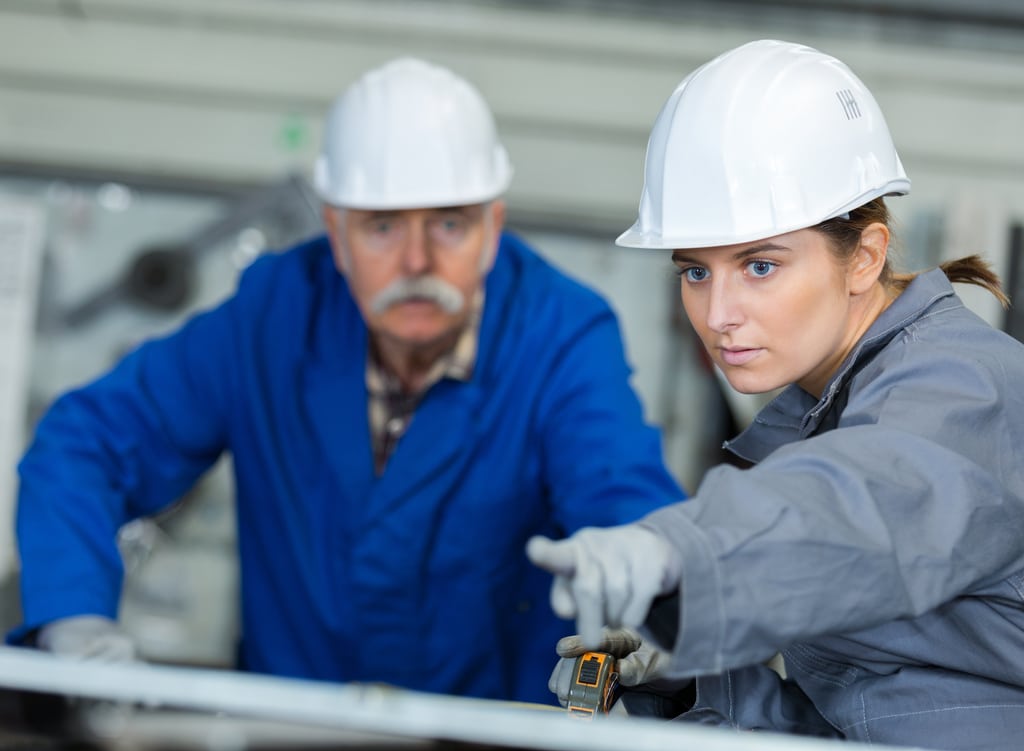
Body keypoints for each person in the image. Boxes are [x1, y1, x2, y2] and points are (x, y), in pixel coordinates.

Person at [9, 57, 685, 704]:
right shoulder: (273, 314)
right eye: (382, 226)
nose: (416, 261)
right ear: (335, 232)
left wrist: (641, 571)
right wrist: (75, 616)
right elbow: (87, 444)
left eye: (449, 223)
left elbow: (621, 507)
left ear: (492, 225)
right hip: (286, 743)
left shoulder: (561, 335)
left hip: (498, 748)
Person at [527, 39, 1024, 751]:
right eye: (695, 272)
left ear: (865, 256)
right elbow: (876, 721)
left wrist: (683, 556)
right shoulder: (821, 415)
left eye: (759, 266)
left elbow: (857, 503)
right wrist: (691, 682)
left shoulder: (962, 392)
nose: (719, 312)